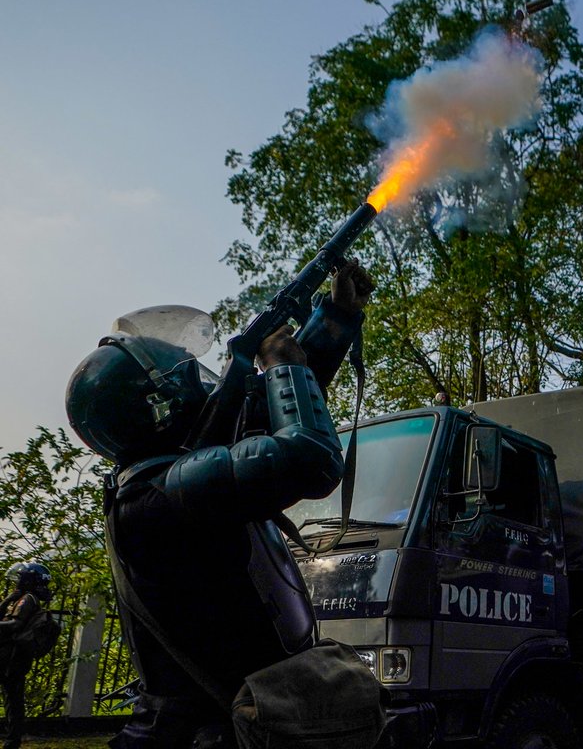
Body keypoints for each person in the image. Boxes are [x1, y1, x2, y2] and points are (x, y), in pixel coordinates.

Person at [65, 263, 374, 749]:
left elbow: (264, 415)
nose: (201, 383)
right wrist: (284, 365)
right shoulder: (165, 493)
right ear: (160, 404)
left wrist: (333, 318)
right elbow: (308, 457)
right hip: (207, 734)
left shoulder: (161, 480)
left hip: (224, 724)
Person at [0, 563, 52, 749]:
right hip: (10, 656)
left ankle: (13, 741)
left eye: (21, 577)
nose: (17, 579)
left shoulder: (28, 599)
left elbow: (14, 625)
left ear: (29, 580)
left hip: (13, 657)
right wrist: (7, 600)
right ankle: (12, 740)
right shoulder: (21, 598)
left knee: (13, 699)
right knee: (12, 698)